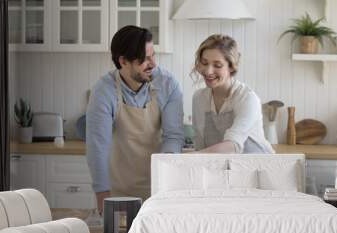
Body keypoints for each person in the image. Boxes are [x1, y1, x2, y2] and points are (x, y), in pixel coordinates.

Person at [86, 26, 184, 214]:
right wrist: (102, 196)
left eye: (153, 55)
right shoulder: (104, 91)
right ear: (123, 61)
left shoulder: (167, 84)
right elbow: (98, 146)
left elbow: (173, 137)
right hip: (118, 192)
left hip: (159, 189)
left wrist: (165, 180)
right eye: (144, 59)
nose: (153, 64)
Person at [191, 34, 274, 154]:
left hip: (258, 168)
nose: (208, 71)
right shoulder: (199, 98)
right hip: (223, 169)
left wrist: (192, 157)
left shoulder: (247, 98)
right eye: (204, 63)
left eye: (217, 65)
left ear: (231, 67)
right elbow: (200, 145)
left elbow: (233, 145)